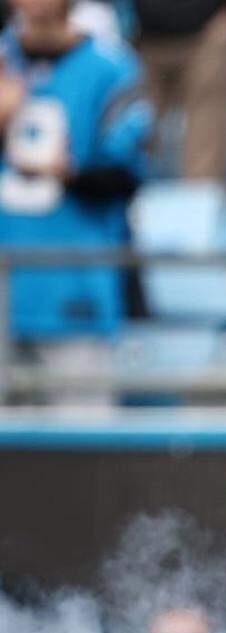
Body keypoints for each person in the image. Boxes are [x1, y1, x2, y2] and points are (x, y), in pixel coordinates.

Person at [0, 0, 150, 403]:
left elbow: (128, 175)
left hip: (76, 285)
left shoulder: (111, 68)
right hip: (6, 281)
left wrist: (69, 174)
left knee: (81, 451)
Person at [132, 0, 226, 180]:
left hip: (210, 32)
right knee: (133, 129)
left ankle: (203, 200)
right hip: (143, 35)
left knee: (207, 136)